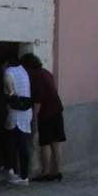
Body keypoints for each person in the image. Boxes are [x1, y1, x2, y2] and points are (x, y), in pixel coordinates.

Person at [20, 52, 65, 181]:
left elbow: (38, 100)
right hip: (57, 110)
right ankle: (57, 171)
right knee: (56, 143)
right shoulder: (46, 73)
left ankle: (45, 173)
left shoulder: (36, 77)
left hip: (46, 114)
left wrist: (34, 118)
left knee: (45, 143)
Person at [2, 55, 33, 185]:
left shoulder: (8, 71)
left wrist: (10, 94)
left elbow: (8, 83)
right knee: (18, 143)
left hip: (16, 113)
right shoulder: (23, 70)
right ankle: (14, 171)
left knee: (18, 145)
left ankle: (22, 176)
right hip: (26, 113)